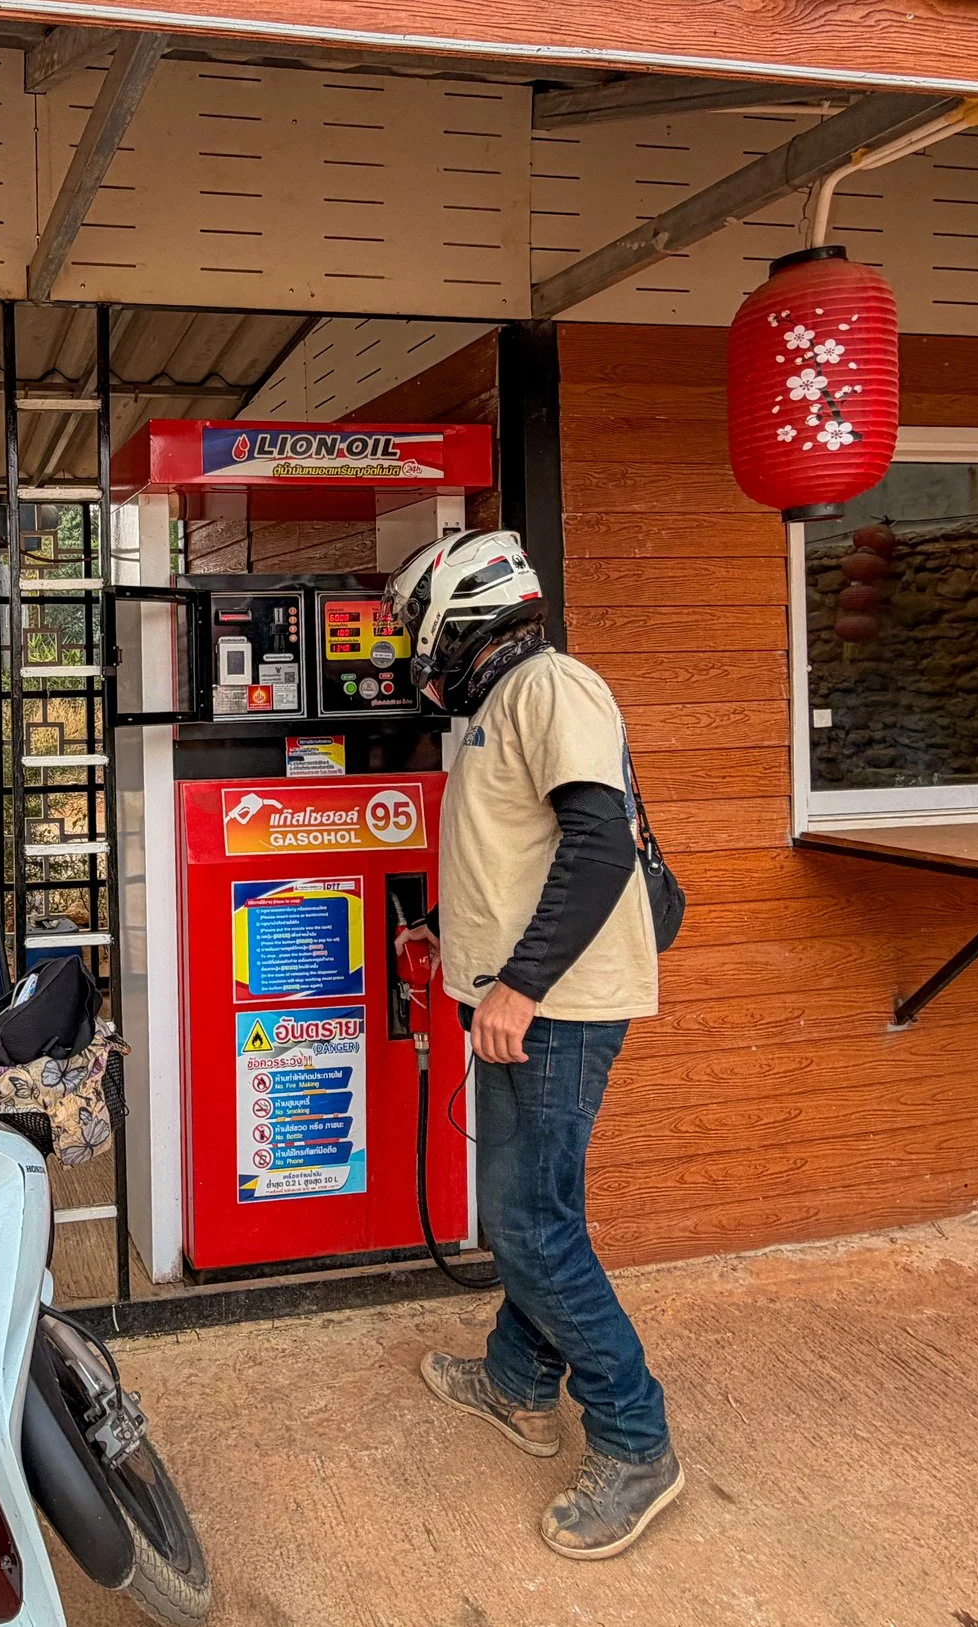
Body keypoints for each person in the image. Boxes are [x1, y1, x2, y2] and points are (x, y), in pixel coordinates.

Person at [382, 527, 679, 1561]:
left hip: (553, 1010)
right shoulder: (502, 704)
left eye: (409, 632)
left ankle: (636, 1442)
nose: (407, 656)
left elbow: (598, 842)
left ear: (452, 619)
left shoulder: (553, 686)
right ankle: (516, 1384)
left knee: (531, 1227)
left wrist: (517, 984)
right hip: (517, 1005)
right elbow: (516, 853)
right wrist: (448, 941)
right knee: (527, 1213)